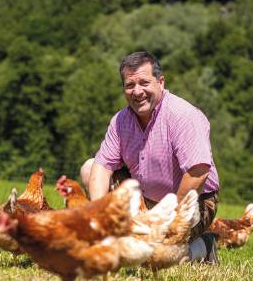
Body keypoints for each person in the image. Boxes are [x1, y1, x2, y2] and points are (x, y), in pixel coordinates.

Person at [57, 51, 220, 264]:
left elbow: (198, 171)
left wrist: (170, 217)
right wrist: (99, 215)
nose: (137, 92)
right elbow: (102, 166)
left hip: (192, 201)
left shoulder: (183, 116)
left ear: (161, 82)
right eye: (129, 85)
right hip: (145, 199)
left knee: (155, 257)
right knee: (90, 168)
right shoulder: (120, 121)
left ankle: (203, 246)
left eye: (144, 83)